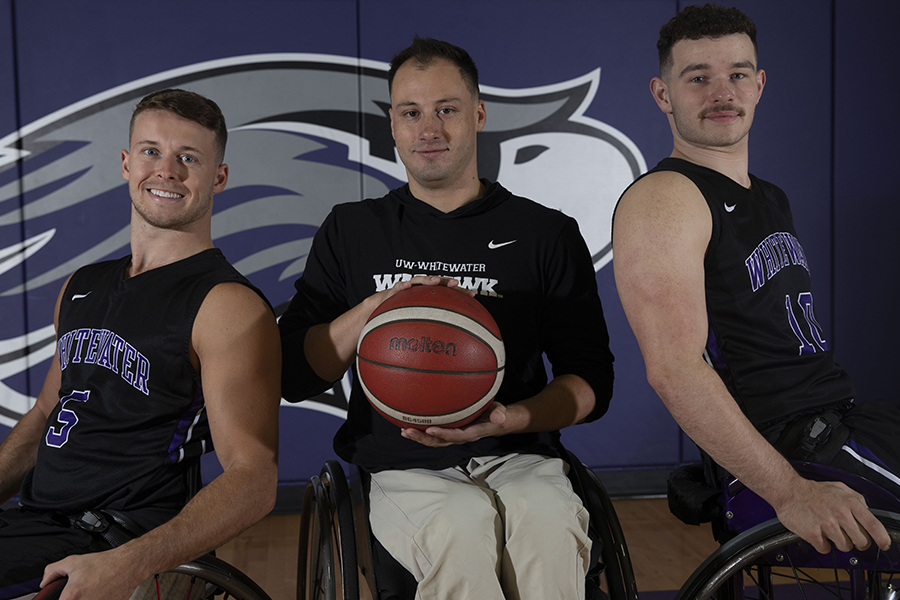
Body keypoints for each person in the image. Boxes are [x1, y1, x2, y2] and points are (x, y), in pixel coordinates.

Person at [279, 37, 614, 600]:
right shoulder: (352, 230)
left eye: (446, 109)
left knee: (550, 525)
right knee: (459, 525)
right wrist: (370, 311)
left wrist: (508, 419)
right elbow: (294, 374)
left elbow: (592, 385)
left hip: (520, 456)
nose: (428, 128)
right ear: (393, 123)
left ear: (478, 114)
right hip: (401, 467)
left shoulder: (545, 234)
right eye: (411, 112)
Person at [613, 3, 900, 556]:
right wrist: (791, 492)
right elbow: (674, 370)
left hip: (842, 419)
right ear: (662, 94)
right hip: (787, 447)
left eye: (737, 74)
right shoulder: (664, 199)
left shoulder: (769, 196)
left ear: (759, 84)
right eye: (698, 78)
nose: (722, 92)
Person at [0, 89, 281, 599]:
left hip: (117, 538)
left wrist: (125, 564)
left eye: (188, 158)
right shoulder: (81, 285)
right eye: (151, 151)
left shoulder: (225, 304)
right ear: (127, 164)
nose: (166, 171)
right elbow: (45, 412)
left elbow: (254, 478)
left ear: (218, 177)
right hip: (33, 524)